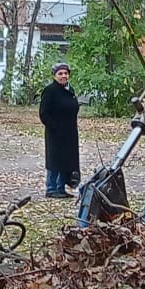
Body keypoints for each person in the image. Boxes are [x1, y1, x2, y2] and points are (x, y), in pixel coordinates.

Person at [38, 61, 80, 197]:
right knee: (55, 160)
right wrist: (54, 127)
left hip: (70, 132)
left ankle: (61, 188)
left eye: (66, 73)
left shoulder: (69, 90)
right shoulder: (50, 91)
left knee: (66, 160)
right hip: (55, 132)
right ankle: (51, 188)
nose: (63, 76)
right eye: (60, 73)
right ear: (54, 75)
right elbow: (44, 113)